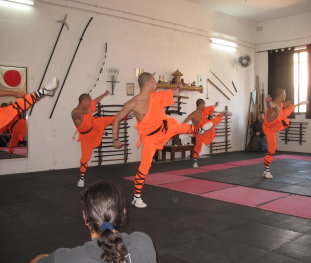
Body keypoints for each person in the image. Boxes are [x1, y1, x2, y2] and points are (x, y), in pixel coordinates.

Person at [112, 72, 210, 208]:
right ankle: (136, 197)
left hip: (165, 127)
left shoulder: (155, 96)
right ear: (147, 84)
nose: (155, 84)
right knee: (145, 167)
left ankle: (199, 130)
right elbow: (116, 119)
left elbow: (172, 93)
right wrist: (115, 139)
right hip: (150, 138)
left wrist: (179, 87)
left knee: (180, 127)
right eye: (153, 81)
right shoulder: (133, 103)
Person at [29, 181, 157, 263]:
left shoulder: (66, 258)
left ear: (85, 217)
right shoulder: (143, 242)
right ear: (124, 213)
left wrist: (45, 257)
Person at [71, 91, 115, 188]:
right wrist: (84, 112)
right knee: (85, 158)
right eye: (89, 101)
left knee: (108, 119)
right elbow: (75, 114)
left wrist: (104, 94)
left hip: (95, 126)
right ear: (84, 101)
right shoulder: (75, 112)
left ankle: (125, 116)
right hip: (86, 137)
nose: (91, 103)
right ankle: (82, 178)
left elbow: (96, 101)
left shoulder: (89, 107)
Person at [263, 89, 308, 179]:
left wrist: (301, 103)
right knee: (272, 150)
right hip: (269, 129)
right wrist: (268, 102)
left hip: (276, 122)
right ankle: (266, 171)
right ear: (280, 95)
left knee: (286, 115)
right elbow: (271, 106)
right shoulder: (275, 106)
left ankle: (265, 171)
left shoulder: (280, 105)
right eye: (284, 94)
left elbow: (287, 106)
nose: (285, 96)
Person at [183, 99, 227, 168]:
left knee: (212, 121)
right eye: (204, 104)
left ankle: (222, 114)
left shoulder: (204, 110)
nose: (205, 105)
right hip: (199, 133)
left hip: (208, 130)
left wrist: (215, 105)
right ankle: (195, 162)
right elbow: (184, 123)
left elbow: (211, 107)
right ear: (201, 104)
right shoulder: (193, 115)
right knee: (198, 147)